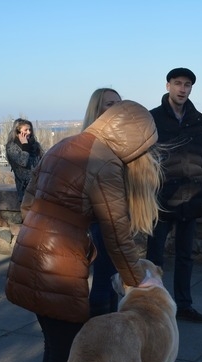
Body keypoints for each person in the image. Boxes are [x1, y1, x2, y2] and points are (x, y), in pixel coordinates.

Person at [5, 100, 162, 362]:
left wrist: (67, 230)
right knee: (61, 360)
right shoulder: (105, 161)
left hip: (35, 257)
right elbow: (116, 229)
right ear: (133, 138)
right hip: (55, 268)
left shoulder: (64, 145)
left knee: (58, 350)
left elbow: (28, 203)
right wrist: (137, 280)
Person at [146, 67, 202, 323]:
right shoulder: (153, 118)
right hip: (162, 198)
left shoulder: (198, 119)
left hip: (191, 196)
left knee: (185, 256)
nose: (182, 89)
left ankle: (184, 306)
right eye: (178, 83)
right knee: (155, 257)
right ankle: (152, 308)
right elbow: (145, 159)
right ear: (168, 86)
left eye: (187, 85)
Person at [81, 88, 123, 317]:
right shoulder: (93, 141)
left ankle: (109, 325)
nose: (116, 107)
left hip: (115, 215)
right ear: (97, 109)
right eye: (110, 104)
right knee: (104, 278)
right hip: (100, 217)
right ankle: (99, 328)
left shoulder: (118, 139)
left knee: (111, 277)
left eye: (119, 103)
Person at [5, 118, 43, 202]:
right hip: (25, 188)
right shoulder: (12, 147)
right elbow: (23, 162)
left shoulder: (35, 145)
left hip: (39, 186)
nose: (29, 132)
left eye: (30, 130)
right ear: (17, 132)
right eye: (26, 130)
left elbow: (42, 161)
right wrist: (25, 145)